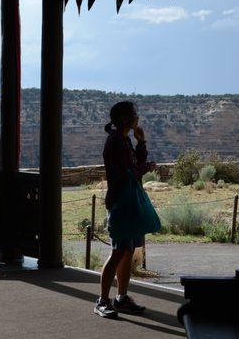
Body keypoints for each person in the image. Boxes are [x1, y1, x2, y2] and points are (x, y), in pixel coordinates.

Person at [94, 101, 161, 319]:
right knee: (118, 251)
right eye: (134, 114)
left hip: (129, 202)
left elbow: (134, 167)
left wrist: (141, 143)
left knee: (128, 251)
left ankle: (121, 298)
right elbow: (127, 173)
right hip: (121, 203)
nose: (137, 117)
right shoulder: (115, 141)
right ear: (125, 119)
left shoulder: (124, 140)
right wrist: (145, 167)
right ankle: (102, 301)